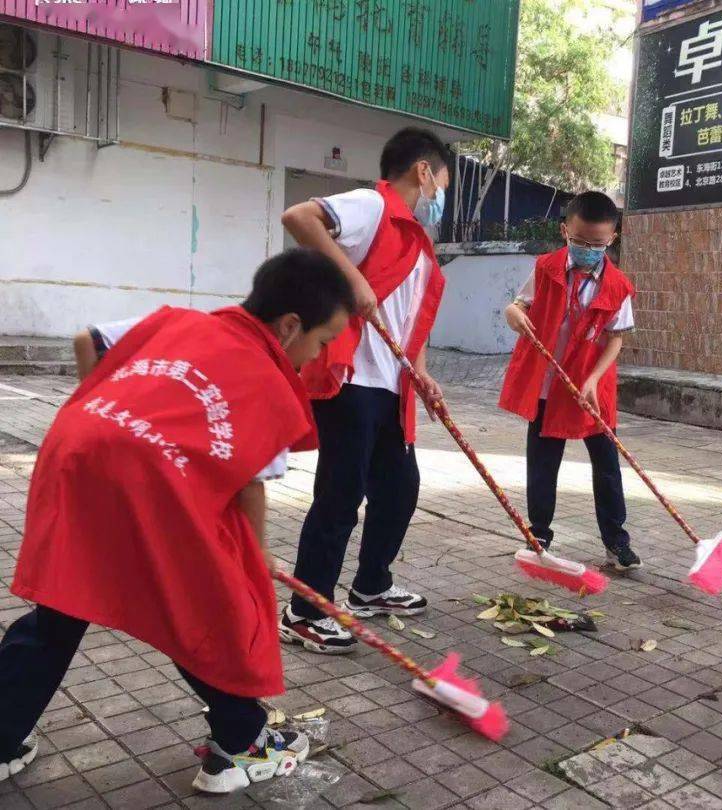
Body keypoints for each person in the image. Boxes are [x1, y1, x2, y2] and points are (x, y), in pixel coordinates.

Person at [0, 249, 355, 793]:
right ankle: (242, 743)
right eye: (323, 340)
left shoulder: (180, 322)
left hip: (76, 450)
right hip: (146, 484)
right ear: (289, 327)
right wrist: (257, 560)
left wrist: (116, 423)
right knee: (205, 612)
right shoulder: (265, 379)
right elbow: (247, 484)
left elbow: (87, 342)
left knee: (65, 605)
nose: (319, 354)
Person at [277, 127, 450, 654]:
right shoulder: (372, 207)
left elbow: (407, 321)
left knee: (400, 488)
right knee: (340, 496)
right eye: (443, 182)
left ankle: (371, 583)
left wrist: (421, 370)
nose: (442, 195)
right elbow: (299, 218)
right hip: (351, 380)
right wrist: (351, 278)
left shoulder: (418, 244)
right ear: (424, 172)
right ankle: (305, 610)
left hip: (391, 386)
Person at [499, 191, 641, 571]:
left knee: (607, 465)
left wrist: (594, 379)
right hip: (549, 384)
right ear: (564, 231)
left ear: (612, 238)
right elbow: (519, 304)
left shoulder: (618, 286)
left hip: (592, 389)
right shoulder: (546, 268)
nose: (588, 250)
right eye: (579, 241)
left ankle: (617, 542)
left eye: (597, 243)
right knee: (543, 463)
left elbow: (616, 338)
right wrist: (512, 312)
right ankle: (539, 534)